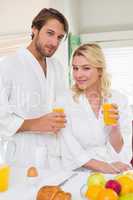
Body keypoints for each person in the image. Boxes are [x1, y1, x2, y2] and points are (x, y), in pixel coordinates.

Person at [0, 8, 69, 167]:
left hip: (55, 156)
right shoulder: (9, 65)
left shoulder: (57, 67)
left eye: (60, 37)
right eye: (50, 33)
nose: (54, 43)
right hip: (23, 158)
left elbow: (65, 107)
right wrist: (35, 124)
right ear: (35, 29)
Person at [56, 43, 132, 174]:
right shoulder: (64, 100)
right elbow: (67, 143)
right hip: (78, 172)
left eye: (86, 68)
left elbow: (121, 149)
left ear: (100, 70)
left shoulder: (118, 100)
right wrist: (101, 166)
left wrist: (115, 128)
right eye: (75, 68)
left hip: (113, 169)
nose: (78, 75)